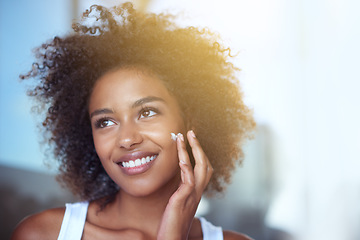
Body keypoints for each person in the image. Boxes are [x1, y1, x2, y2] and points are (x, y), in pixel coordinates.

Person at [11, 2, 255, 240]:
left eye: (147, 112)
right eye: (105, 122)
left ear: (189, 119)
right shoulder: (44, 234)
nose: (127, 139)